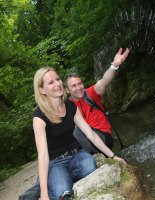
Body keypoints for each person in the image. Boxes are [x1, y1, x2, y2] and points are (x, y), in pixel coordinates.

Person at [19, 48, 129, 200]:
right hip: (56, 161)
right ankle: (48, 185)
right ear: (42, 90)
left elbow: (90, 133)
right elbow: (43, 155)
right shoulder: (39, 117)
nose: (57, 83)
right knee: (61, 193)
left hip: (78, 154)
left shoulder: (72, 105)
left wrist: (112, 156)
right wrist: (44, 194)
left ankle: (57, 180)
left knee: (88, 166)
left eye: (57, 79)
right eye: (51, 82)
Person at [64, 47, 129, 154]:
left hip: (104, 137)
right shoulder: (67, 106)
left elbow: (104, 82)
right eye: (74, 86)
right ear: (67, 90)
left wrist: (114, 65)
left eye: (80, 83)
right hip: (85, 140)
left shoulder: (90, 93)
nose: (79, 87)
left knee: (77, 131)